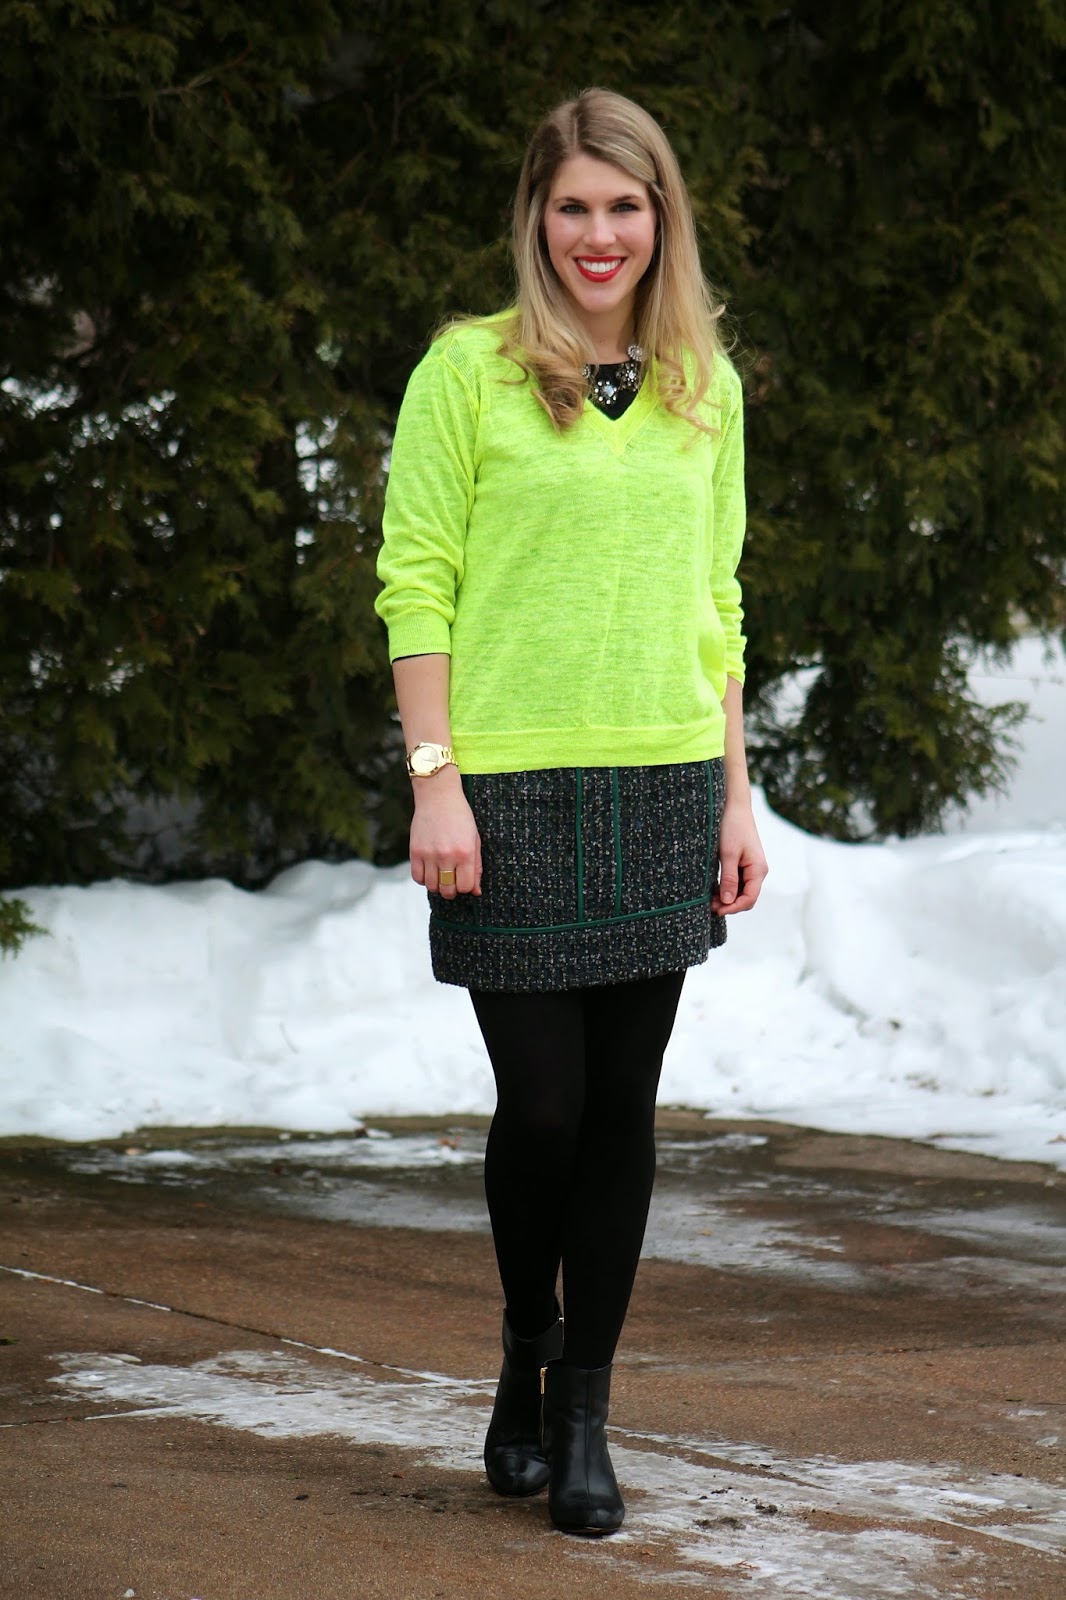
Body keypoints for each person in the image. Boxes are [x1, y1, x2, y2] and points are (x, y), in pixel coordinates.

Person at [374, 86, 768, 1537]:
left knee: (622, 1113)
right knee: (542, 1109)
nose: (599, 235)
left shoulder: (702, 386)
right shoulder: (464, 373)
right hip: (508, 793)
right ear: (536, 219)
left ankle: (584, 1409)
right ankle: (523, 1350)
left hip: (663, 782)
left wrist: (736, 797)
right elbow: (416, 583)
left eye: (625, 206)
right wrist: (436, 781)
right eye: (573, 207)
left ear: (661, 218)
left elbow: (718, 603)